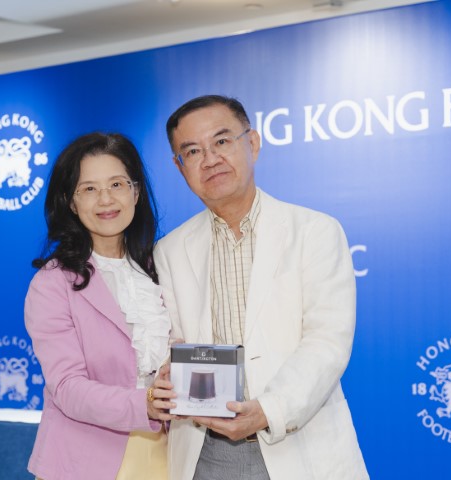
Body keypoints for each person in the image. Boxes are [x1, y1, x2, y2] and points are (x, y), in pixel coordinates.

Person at [149, 95, 369, 480]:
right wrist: (165, 374)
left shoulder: (315, 231)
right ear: (179, 167)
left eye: (222, 141)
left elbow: (327, 341)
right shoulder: (170, 250)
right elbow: (175, 344)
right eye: (193, 151)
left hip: (296, 443)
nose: (210, 159)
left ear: (252, 143)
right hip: (204, 453)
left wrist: (268, 410)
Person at [24, 132, 171, 480]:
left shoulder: (163, 268)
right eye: (89, 188)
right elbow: (67, 388)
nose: (106, 199)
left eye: (117, 184)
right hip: (84, 462)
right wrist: (145, 403)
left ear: (136, 192)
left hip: (168, 454)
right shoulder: (53, 282)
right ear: (71, 202)